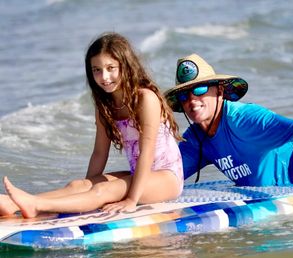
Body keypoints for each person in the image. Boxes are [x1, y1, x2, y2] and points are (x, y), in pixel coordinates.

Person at [1, 32, 183, 218]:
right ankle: (11, 203)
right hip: (139, 174)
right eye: (97, 70)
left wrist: (131, 200)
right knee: (77, 185)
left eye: (111, 68)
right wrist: (85, 191)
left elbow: (147, 152)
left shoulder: (146, 98)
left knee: (104, 190)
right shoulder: (106, 105)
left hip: (166, 178)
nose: (104, 77)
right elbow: (99, 153)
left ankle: (36, 205)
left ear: (126, 66)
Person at [164, 54, 293, 185]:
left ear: (220, 91)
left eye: (200, 89)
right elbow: (169, 177)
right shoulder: (196, 140)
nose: (192, 99)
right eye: (184, 95)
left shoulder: (244, 120)